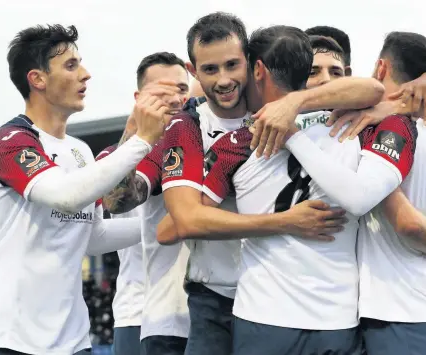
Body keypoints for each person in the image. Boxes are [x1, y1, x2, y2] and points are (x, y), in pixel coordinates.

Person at [156, 11, 385, 355]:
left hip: (277, 304)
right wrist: (286, 223)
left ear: (252, 65)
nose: (223, 80)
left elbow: (374, 88)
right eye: (210, 69)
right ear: (193, 71)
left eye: (232, 65)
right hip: (219, 296)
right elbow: (180, 223)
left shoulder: (300, 114)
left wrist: (296, 101)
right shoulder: (188, 126)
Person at [0, 24, 171, 355]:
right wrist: (142, 141)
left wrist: (165, 224)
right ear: (37, 79)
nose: (86, 74)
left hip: (72, 341)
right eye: (71, 65)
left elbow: (91, 237)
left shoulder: (80, 151)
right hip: (6, 340)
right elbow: (65, 197)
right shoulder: (10, 141)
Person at [279, 31, 426, 354]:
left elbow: (377, 204)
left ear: (380, 69)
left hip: (393, 316)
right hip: (421, 317)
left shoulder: (390, 127)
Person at [198, 25, 364, 355]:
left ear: (257, 69)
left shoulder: (235, 144)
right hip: (339, 319)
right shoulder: (353, 124)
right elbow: (375, 90)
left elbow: (197, 220)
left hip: (264, 319)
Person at [100, 52, 191, 355]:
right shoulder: (112, 158)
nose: (175, 99)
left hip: (209, 308)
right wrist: (134, 130)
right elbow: (116, 202)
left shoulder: (204, 144)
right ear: (139, 98)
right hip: (140, 312)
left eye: (181, 89)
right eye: (161, 92)